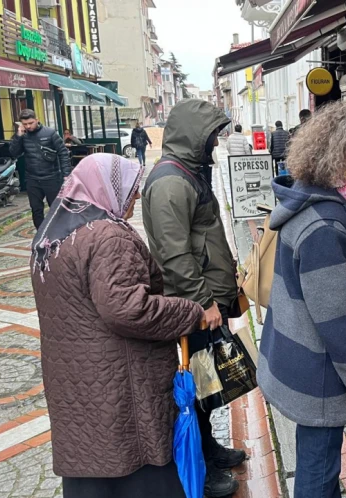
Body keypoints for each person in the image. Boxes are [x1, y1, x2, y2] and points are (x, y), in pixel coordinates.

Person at [31, 154, 204, 498]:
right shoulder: (109, 237)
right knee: (138, 472)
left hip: (76, 382)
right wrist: (190, 312)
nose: (135, 197)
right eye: (130, 188)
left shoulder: (55, 233)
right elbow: (128, 310)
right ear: (106, 188)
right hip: (123, 385)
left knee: (92, 470)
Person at [258, 100, 346, 498]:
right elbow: (340, 318)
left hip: (302, 356)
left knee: (320, 457)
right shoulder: (326, 223)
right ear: (337, 156)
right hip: (322, 369)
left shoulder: (313, 199)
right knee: (317, 467)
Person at [142, 99, 243, 498]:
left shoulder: (188, 173)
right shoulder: (171, 182)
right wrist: (203, 302)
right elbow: (176, 255)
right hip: (193, 306)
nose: (215, 145)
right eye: (211, 137)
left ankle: (210, 448)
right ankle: (201, 470)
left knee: (208, 383)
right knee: (196, 385)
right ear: (193, 138)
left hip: (207, 301)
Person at [9, 109, 71, 229]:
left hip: (52, 177)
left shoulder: (50, 133)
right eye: (25, 124)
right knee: (36, 209)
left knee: (56, 208)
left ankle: (58, 233)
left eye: (30, 123)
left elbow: (63, 153)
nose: (28, 126)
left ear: (37, 120)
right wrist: (18, 136)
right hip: (32, 178)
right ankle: (41, 235)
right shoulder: (22, 135)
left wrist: (67, 174)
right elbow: (14, 153)